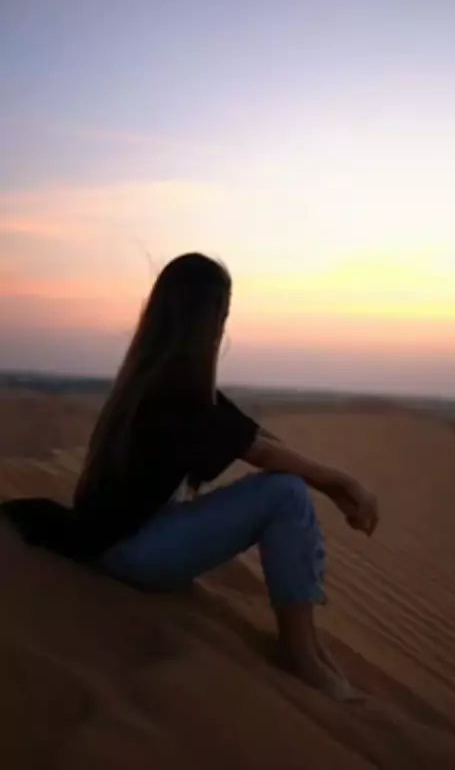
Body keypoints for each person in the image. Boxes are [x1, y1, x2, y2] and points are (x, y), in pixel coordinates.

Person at [3, 253, 379, 701]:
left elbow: (254, 436)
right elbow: (260, 452)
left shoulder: (155, 379)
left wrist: (331, 481)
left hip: (119, 542)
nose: (223, 329)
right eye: (222, 314)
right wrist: (340, 483)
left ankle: (310, 648)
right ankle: (299, 653)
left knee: (285, 485)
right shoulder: (176, 392)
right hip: (134, 552)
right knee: (285, 493)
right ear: (207, 321)